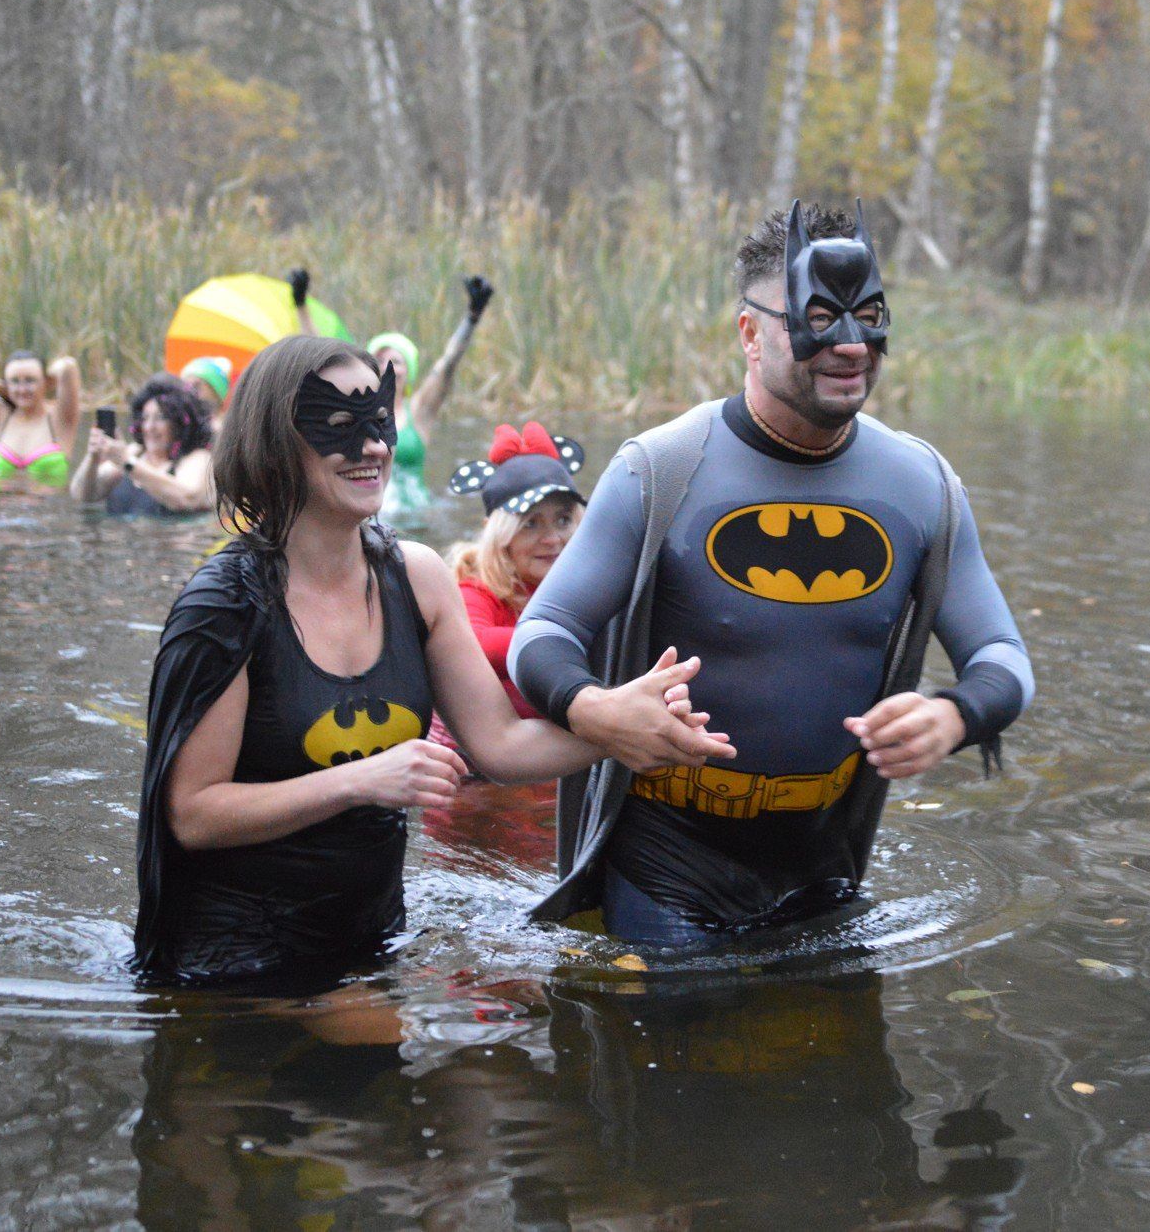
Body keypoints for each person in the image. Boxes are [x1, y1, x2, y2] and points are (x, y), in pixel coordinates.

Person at [131, 334, 730, 990]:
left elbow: (500, 744)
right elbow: (192, 814)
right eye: (337, 424)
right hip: (233, 965)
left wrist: (624, 726)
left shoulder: (415, 578)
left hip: (372, 941)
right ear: (275, 442)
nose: (372, 446)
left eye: (378, 421)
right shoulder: (223, 606)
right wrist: (360, 780)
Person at [509, 200, 1033, 948]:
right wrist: (592, 708)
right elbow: (543, 631)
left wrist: (955, 715)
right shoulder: (662, 468)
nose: (850, 345)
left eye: (869, 317)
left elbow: (1004, 657)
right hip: (667, 861)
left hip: (823, 863)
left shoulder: (923, 485)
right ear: (750, 335)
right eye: (817, 319)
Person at [287, 266, 495, 512]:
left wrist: (472, 317)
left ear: (408, 371)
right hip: (370, 514)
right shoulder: (351, 411)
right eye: (379, 359)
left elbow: (448, 363)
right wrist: (301, 304)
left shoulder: (419, 411)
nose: (387, 367)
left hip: (415, 518)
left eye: (396, 361)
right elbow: (320, 360)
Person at [430, 421, 588, 738]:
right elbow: (475, 644)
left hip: (549, 741)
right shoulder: (476, 588)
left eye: (563, 520)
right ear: (500, 535)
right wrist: (565, 640)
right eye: (531, 524)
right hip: (465, 755)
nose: (553, 538)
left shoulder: (589, 584)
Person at [71, 375, 216, 517]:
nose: (149, 427)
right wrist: (93, 458)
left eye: (160, 418)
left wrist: (128, 463)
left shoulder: (198, 458)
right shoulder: (134, 452)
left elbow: (188, 498)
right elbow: (82, 495)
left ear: (180, 423)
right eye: (145, 418)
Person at [0, 350, 81, 490]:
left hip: (49, 503)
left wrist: (12, 388)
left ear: (45, 381)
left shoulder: (61, 417)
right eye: (14, 381)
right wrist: (6, 388)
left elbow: (68, 366)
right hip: (2, 503)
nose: (22, 389)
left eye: (30, 380)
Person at [179, 356, 233, 435]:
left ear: (216, 393)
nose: (190, 392)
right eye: (186, 387)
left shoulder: (230, 428)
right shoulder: (180, 427)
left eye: (196, 386)